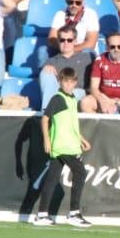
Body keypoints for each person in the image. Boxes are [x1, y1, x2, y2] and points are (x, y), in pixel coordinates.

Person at [32, 67, 93, 228]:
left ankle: (42, 214)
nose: (68, 85)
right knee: (80, 172)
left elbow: (71, 123)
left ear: (75, 83)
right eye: (65, 81)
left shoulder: (72, 99)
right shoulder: (58, 98)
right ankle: (74, 213)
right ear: (60, 82)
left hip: (70, 144)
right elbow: (45, 119)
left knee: (52, 180)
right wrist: (46, 140)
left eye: (71, 82)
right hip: (62, 145)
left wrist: (81, 139)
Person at [85, 32, 120, 115]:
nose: (116, 49)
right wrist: (103, 100)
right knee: (85, 102)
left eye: (119, 46)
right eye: (112, 47)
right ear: (107, 47)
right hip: (106, 98)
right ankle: (95, 128)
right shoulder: (99, 60)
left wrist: (117, 105)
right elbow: (93, 87)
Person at [38, 29, 92, 107]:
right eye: (62, 40)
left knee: (67, 95)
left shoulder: (87, 57)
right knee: (46, 72)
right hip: (58, 94)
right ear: (58, 42)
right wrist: (46, 68)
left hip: (79, 93)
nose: (66, 43)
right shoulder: (51, 61)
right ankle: (48, 110)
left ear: (75, 41)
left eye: (69, 40)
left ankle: (50, 112)